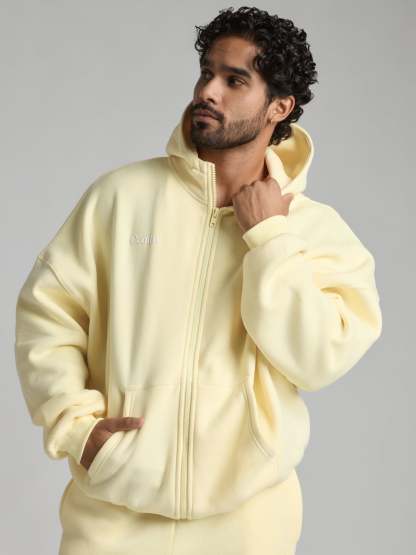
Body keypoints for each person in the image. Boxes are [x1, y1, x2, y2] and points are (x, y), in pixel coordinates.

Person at [14, 6, 382, 555]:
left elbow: (318, 357)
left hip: (249, 520)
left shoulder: (313, 230)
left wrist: (270, 240)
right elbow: (48, 313)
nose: (208, 91)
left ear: (279, 107)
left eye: (235, 80)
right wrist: (77, 428)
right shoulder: (122, 197)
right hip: (113, 513)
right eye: (207, 72)